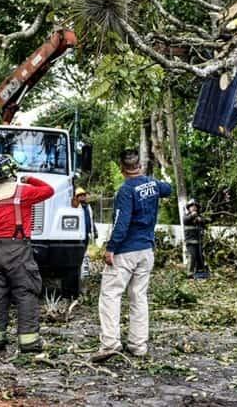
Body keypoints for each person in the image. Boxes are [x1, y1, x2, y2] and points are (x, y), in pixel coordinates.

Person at [92, 149, 171, 362]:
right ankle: (138, 345)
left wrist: (111, 247)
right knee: (139, 296)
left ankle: (110, 343)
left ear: (121, 169)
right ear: (141, 166)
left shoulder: (125, 190)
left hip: (126, 250)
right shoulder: (153, 184)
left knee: (110, 294)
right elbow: (169, 188)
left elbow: (122, 222)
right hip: (146, 250)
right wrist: (149, 181)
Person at [0, 154, 54, 353]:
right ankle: (28, 341)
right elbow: (49, 191)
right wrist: (30, 179)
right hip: (18, 250)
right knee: (26, 292)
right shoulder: (23, 193)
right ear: (11, 172)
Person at [183, 198, 210, 279]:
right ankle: (189, 274)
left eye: (195, 206)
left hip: (199, 241)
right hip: (190, 242)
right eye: (191, 206)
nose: (193, 208)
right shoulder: (186, 216)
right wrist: (192, 215)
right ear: (189, 208)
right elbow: (185, 221)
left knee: (200, 257)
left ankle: (200, 272)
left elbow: (207, 221)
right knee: (192, 256)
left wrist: (200, 220)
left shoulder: (199, 217)